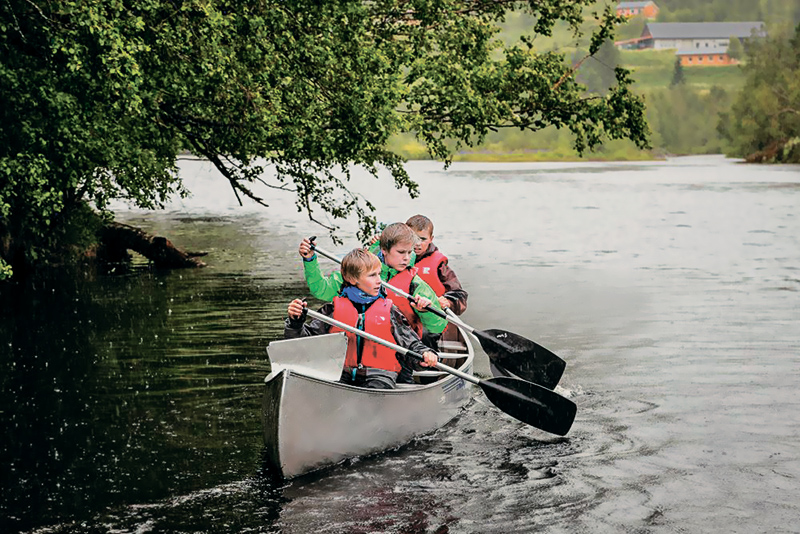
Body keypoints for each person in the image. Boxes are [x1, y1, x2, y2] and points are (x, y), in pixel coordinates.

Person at [285, 249, 438, 389]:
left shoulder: (390, 311)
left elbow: (410, 343)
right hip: (340, 374)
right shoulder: (333, 309)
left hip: (379, 376)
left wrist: (424, 355)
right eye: (372, 275)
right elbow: (303, 344)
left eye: (379, 274)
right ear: (352, 279)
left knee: (375, 390)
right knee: (327, 388)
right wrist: (296, 321)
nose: (379, 280)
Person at [298, 223, 448, 342]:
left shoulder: (414, 283)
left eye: (410, 252)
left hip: (399, 350)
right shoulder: (358, 270)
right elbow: (321, 290)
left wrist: (425, 310)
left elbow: (439, 326)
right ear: (383, 249)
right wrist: (310, 260)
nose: (407, 258)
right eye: (401, 252)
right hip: (355, 345)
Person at [405, 214, 468, 315]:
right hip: (408, 321)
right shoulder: (395, 258)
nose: (417, 243)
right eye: (413, 238)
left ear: (431, 239)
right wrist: (376, 247)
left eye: (423, 239)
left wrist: (449, 301)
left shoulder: (439, 265)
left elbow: (460, 295)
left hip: (435, 321)